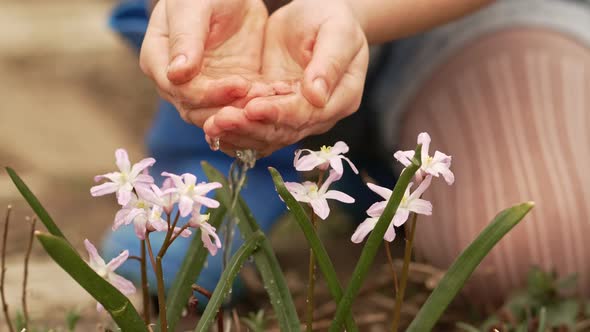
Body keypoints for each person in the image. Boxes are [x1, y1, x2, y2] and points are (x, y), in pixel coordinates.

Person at [104, 0, 590, 305]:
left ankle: (355, 161)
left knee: (540, 255)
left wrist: (353, 12)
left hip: (468, 17)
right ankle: (229, 126)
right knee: (160, 271)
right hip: (255, 16)